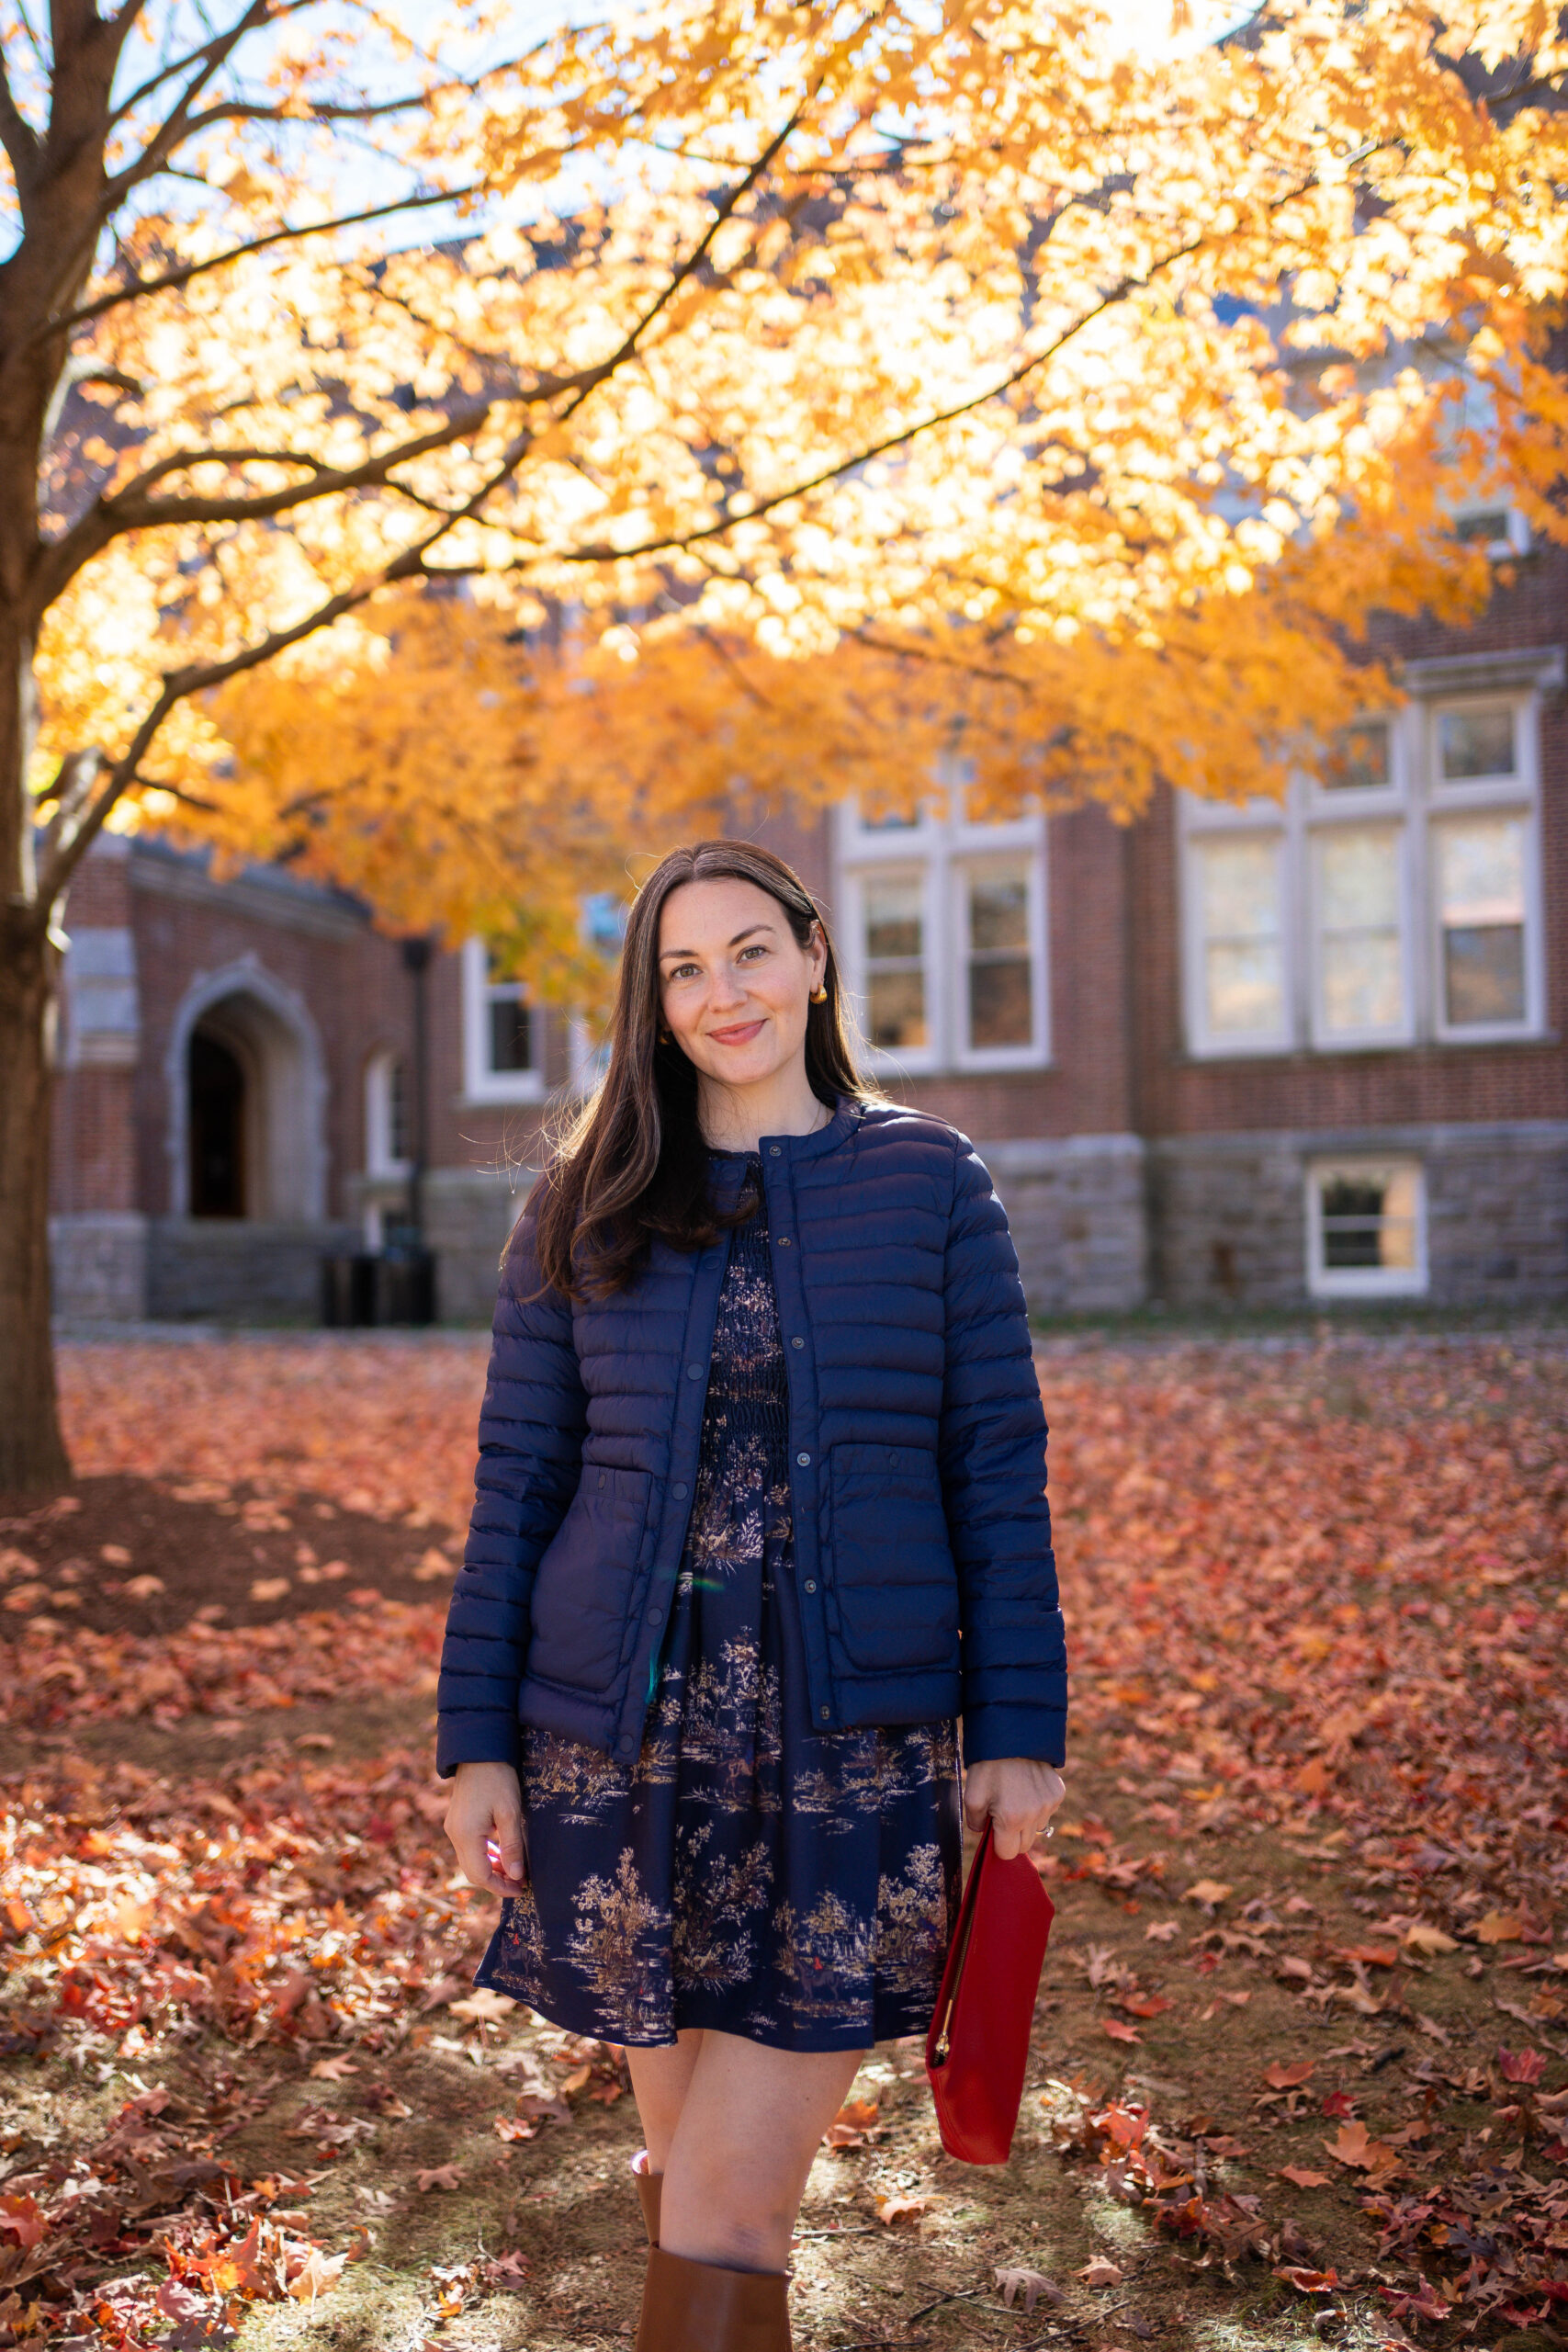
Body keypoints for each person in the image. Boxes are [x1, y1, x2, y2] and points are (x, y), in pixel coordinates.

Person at [439, 839, 1066, 2352]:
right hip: (624, 1749)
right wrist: (476, 1741)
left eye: (751, 953)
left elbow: (995, 1467)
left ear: (816, 959)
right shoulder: (582, 1205)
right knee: (679, 2177)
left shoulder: (929, 1184)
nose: (724, 994)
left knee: (727, 2203)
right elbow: (517, 1485)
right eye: (683, 970)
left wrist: (1020, 1726)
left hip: (849, 1746)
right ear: (651, 1007)